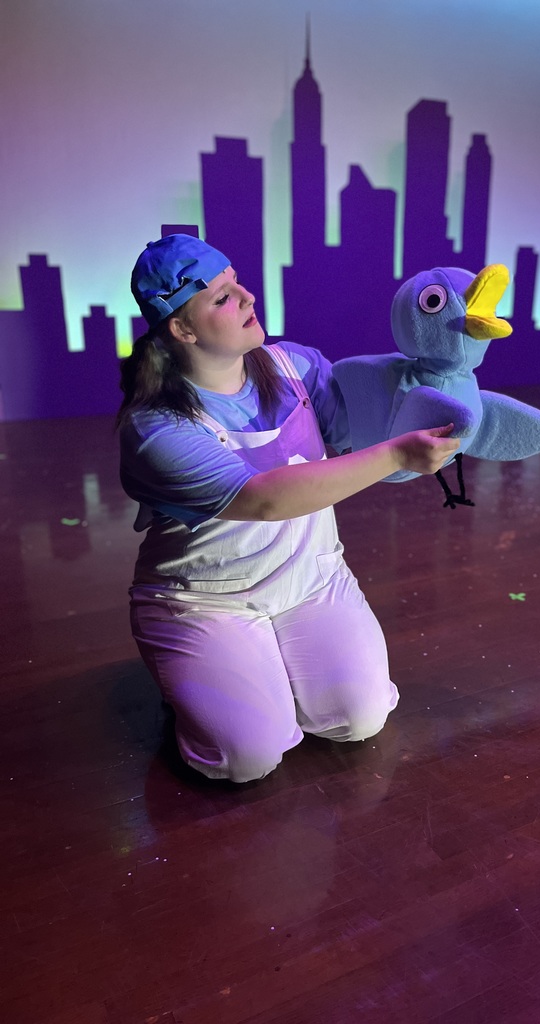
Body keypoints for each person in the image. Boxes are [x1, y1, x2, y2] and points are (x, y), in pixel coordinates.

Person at [118, 234, 459, 783]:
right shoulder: (155, 426)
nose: (248, 297)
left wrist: (441, 375)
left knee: (360, 718)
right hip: (209, 602)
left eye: (238, 281)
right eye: (223, 297)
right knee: (248, 758)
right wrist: (397, 452)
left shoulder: (295, 365)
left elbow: (361, 432)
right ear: (181, 328)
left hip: (310, 579)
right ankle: (193, 688)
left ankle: (268, 675)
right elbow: (265, 499)